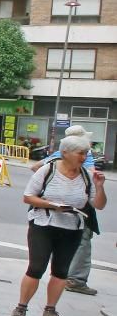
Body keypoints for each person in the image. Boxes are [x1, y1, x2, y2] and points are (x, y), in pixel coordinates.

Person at [8, 133, 106, 316]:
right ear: (66, 153)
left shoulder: (87, 176)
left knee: (61, 271)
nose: (84, 157)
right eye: (81, 153)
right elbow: (28, 197)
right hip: (43, 224)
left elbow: (98, 204)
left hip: (72, 228)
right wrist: (52, 205)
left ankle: (50, 310)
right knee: (36, 268)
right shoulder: (48, 170)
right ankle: (21, 307)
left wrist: (100, 187)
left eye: (86, 153)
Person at [31, 125, 99, 295]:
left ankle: (65, 279)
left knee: (53, 258)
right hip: (76, 211)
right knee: (81, 243)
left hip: (62, 213)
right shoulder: (84, 155)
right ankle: (76, 279)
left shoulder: (61, 154)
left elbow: (35, 167)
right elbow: (91, 173)